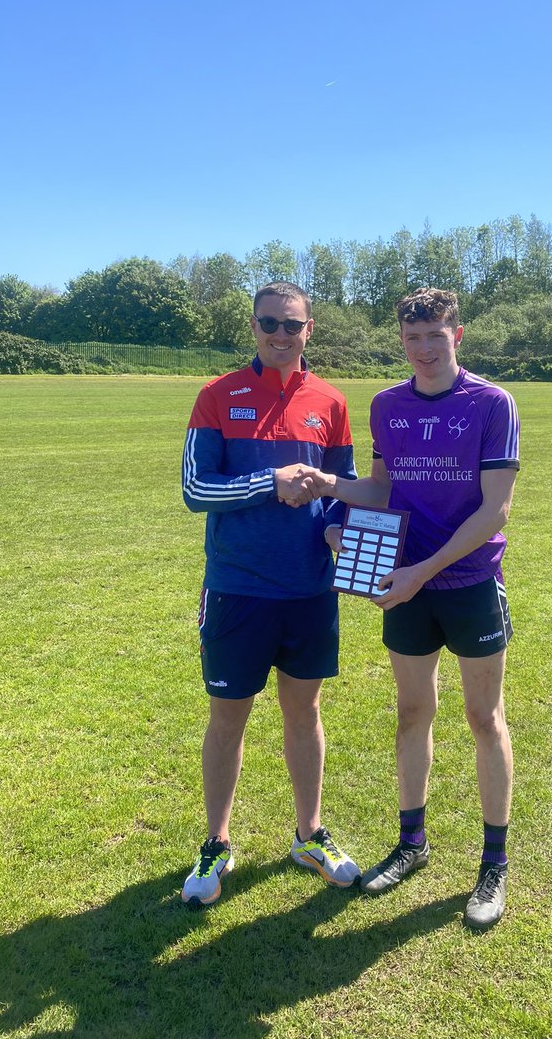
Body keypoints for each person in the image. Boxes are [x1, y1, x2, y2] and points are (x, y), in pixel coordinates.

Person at [301, 288, 519, 929]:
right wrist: (331, 495)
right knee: (411, 713)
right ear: (401, 340)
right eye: (412, 338)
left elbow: (494, 510)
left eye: (435, 336)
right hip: (405, 585)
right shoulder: (387, 405)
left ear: (457, 335)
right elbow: (382, 488)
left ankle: (493, 862)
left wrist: (423, 571)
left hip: (469, 581)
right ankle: (411, 843)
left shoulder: (491, 404)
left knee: (484, 717)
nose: (423, 349)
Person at [179, 281, 361, 908]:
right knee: (228, 717)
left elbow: (344, 486)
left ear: (310, 329)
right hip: (238, 585)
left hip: (309, 587)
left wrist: (339, 528)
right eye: (268, 324)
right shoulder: (216, 395)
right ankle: (216, 841)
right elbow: (195, 489)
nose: (279, 335)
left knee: (304, 712)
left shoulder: (330, 401)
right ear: (252, 327)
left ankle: (309, 835)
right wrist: (269, 481)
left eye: (292, 325)